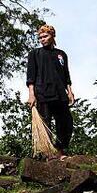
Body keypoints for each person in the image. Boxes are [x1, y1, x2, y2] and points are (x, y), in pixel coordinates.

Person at [26, 24, 75, 158]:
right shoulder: (35, 54)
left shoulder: (61, 55)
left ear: (52, 36)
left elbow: (66, 75)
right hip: (42, 93)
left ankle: (60, 151)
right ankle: (47, 154)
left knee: (66, 122)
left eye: (45, 36)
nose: (42, 39)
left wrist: (70, 91)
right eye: (40, 37)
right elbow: (30, 76)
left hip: (60, 94)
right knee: (45, 123)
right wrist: (31, 95)